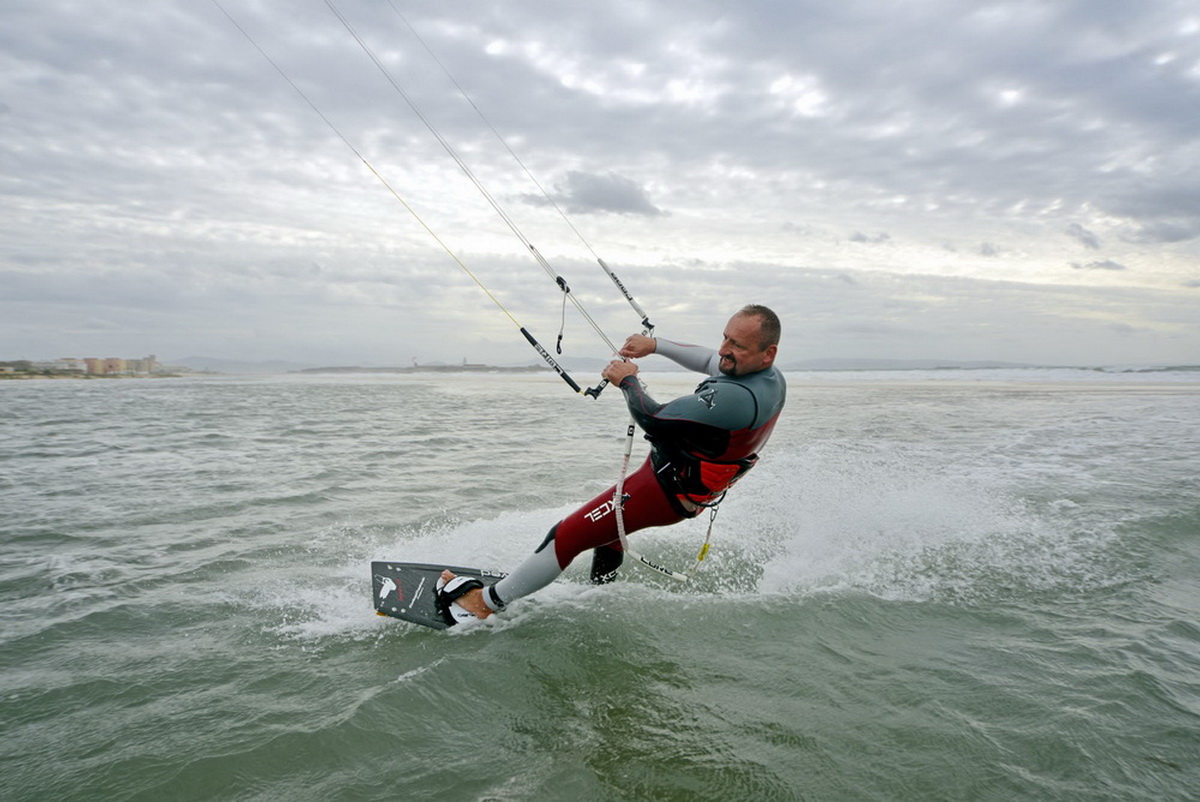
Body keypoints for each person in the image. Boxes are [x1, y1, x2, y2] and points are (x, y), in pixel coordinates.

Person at [436, 304, 787, 623]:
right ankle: (599, 595)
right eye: (726, 338)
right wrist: (656, 345)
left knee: (566, 535)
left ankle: (486, 603)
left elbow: (653, 417)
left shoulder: (738, 398)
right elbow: (712, 360)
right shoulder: (763, 376)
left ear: (767, 353)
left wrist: (628, 380)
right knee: (610, 534)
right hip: (679, 485)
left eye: (737, 345)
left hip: (663, 492)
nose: (725, 350)